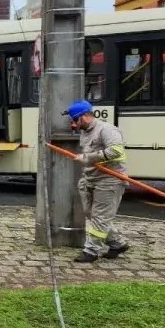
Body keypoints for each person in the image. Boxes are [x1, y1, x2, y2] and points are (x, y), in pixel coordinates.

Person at [63, 99, 131, 263]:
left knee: (100, 217)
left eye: (75, 120)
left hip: (110, 180)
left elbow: (116, 151)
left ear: (85, 116)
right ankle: (117, 243)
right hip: (90, 178)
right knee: (91, 214)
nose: (73, 124)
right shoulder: (85, 132)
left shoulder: (106, 130)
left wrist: (88, 158)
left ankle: (91, 251)